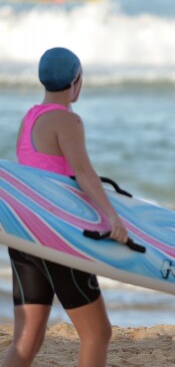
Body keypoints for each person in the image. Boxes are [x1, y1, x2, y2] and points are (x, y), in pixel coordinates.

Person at [2, 47, 128, 367]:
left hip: (24, 235)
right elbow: (83, 173)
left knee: (27, 338)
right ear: (77, 81)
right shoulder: (68, 120)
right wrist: (111, 217)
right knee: (97, 333)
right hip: (59, 237)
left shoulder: (30, 117)